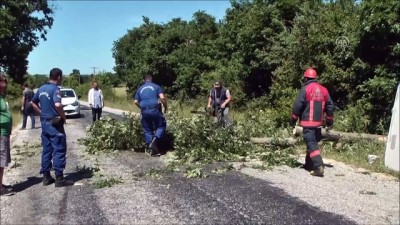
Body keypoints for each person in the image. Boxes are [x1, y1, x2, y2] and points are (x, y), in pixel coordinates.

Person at [31, 68, 72, 187]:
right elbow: (58, 104)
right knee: (59, 148)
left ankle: (46, 177)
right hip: (55, 123)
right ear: (58, 77)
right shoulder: (55, 89)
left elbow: (33, 102)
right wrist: (63, 117)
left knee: (47, 149)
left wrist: (41, 112)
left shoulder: (41, 88)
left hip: (44, 122)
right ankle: (59, 178)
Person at [290, 68, 334, 177]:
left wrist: (293, 120)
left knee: (311, 144)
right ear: (315, 78)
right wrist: (329, 122)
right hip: (319, 124)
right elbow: (330, 106)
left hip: (307, 123)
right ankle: (309, 164)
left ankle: (319, 166)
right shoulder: (324, 90)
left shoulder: (305, 89)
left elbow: (297, 106)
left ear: (306, 78)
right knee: (312, 142)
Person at [134, 74, 167, 156]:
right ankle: (155, 140)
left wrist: (141, 108)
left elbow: (135, 101)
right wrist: (166, 107)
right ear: (151, 79)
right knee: (161, 126)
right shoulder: (156, 86)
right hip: (155, 110)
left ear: (144, 80)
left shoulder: (140, 89)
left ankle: (151, 149)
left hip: (144, 111)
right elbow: (162, 98)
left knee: (147, 129)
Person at [0, 73, 15, 196]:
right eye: (2, 81)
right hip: (0, 133)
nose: (5, 84)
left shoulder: (1, 97)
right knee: (0, 160)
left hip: (4, 133)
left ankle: (0, 183)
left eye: (5, 82)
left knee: (2, 160)